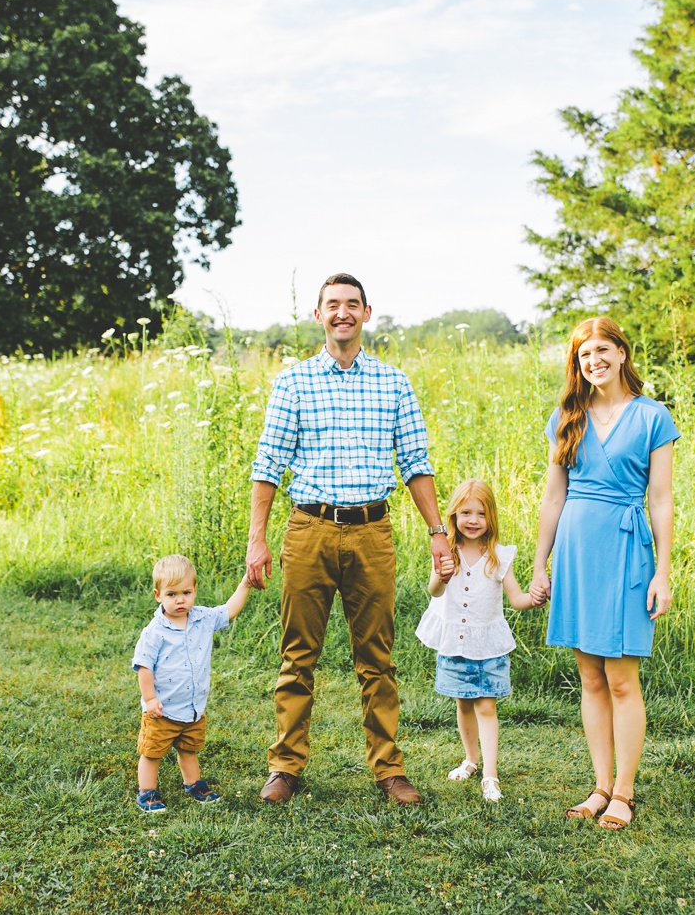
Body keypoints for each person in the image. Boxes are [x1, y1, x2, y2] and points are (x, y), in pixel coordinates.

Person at [246, 273, 454, 807]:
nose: (342, 312)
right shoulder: (293, 383)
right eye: (332, 304)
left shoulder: (393, 383)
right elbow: (268, 463)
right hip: (308, 530)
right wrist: (257, 539)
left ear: (366, 313)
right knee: (297, 656)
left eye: (351, 304)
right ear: (319, 315)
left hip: (371, 533)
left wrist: (437, 532)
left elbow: (416, 462)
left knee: (377, 659)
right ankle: (285, 767)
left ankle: (389, 770)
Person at [527, 316, 679, 831]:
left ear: (620, 352)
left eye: (602, 350)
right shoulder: (566, 417)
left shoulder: (653, 417)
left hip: (625, 549)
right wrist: (539, 563)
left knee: (620, 678)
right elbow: (554, 497)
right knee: (590, 677)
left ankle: (625, 792)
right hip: (575, 549)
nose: (594, 361)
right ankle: (599, 786)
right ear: (578, 362)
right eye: (584, 354)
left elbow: (660, 499)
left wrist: (662, 571)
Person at [414, 478, 542, 802]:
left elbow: (516, 599)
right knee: (463, 702)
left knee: (486, 705)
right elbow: (435, 590)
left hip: (488, 643)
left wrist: (537, 596)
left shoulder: (499, 556)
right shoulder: (447, 552)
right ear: (454, 515)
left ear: (491, 518)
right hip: (455, 640)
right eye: (466, 512)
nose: (473, 520)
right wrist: (440, 576)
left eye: (481, 514)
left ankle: (490, 775)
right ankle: (470, 760)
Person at [131, 554, 257, 813]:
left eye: (186, 592)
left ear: (195, 590)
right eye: (172, 594)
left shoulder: (203, 619)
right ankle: (147, 792)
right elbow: (144, 667)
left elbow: (229, 610)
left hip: (193, 708)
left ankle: (193, 784)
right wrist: (150, 699)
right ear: (158, 595)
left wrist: (245, 583)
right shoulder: (154, 632)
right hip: (162, 710)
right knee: (152, 752)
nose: (180, 600)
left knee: (189, 749)